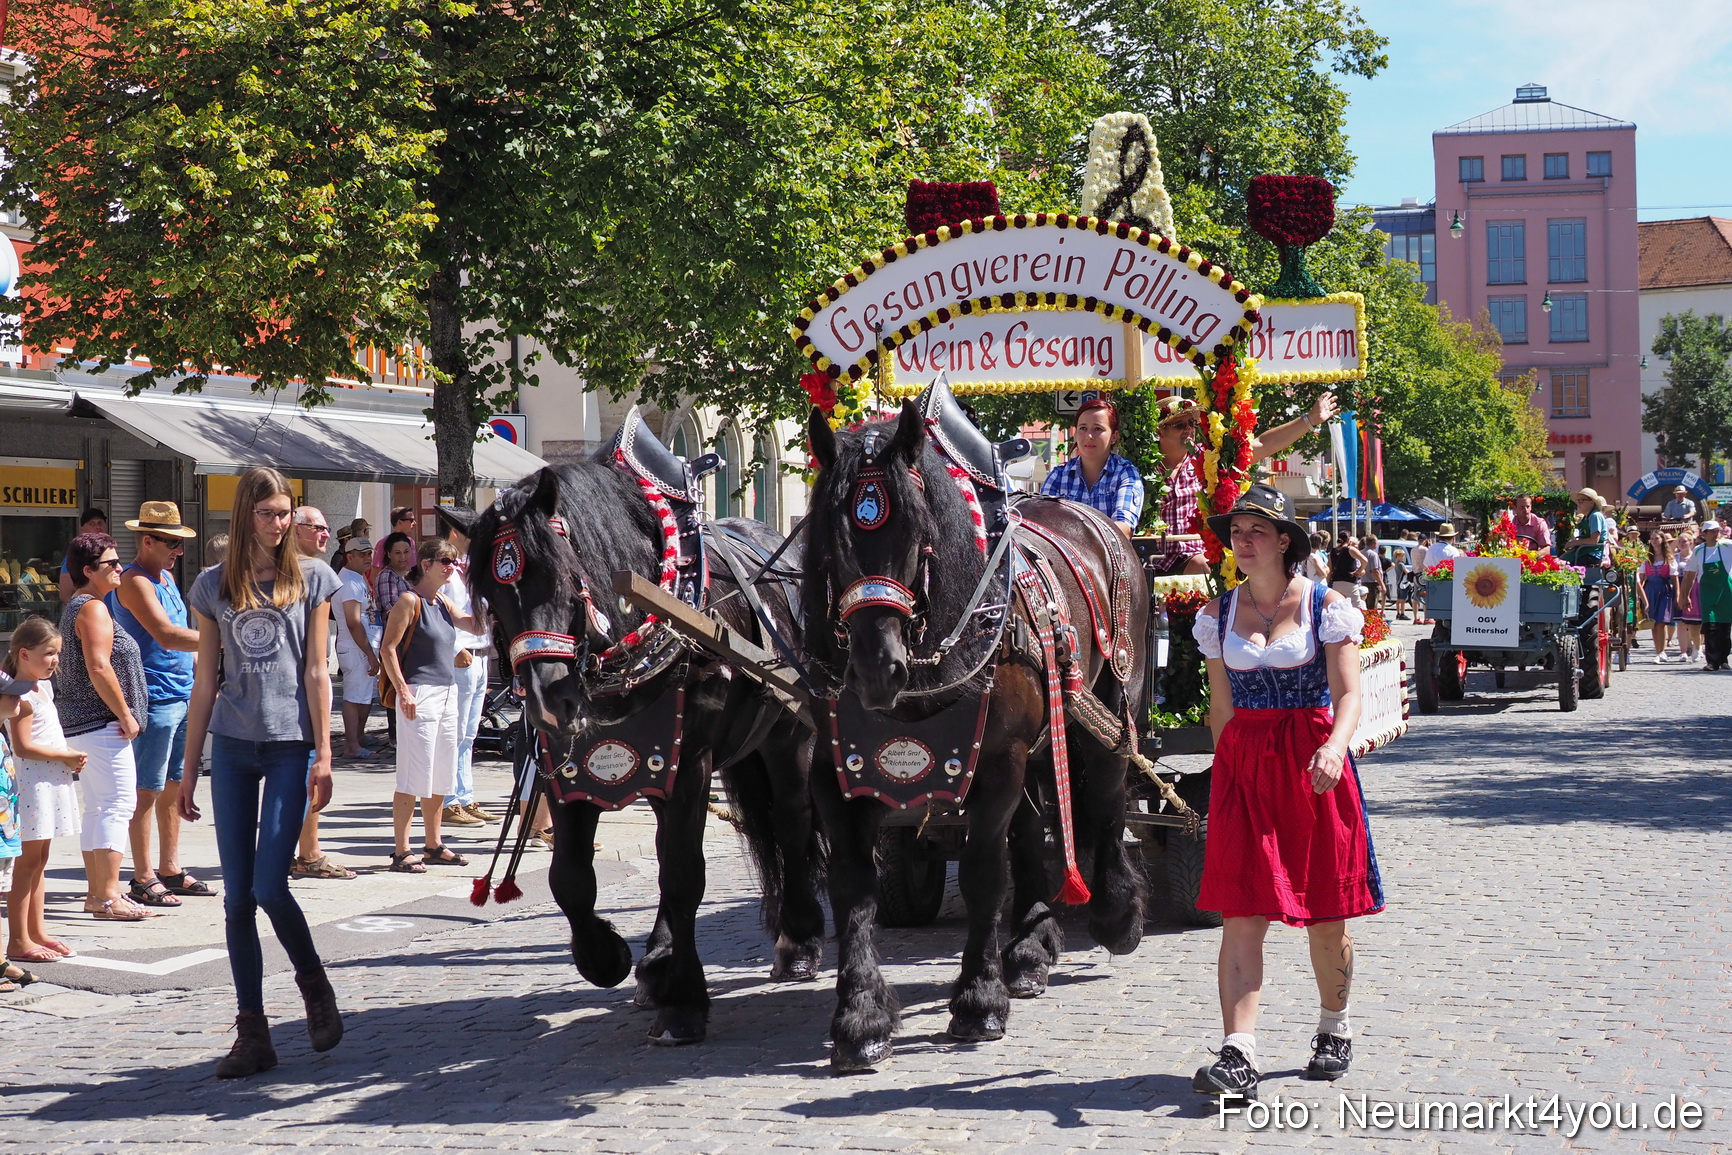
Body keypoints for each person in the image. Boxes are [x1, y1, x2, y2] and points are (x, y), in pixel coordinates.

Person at [1189, 483, 1381, 1103]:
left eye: (1256, 531)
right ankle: (1237, 1053)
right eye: (1237, 532)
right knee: (1241, 913)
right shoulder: (1217, 616)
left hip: (1313, 762)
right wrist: (1227, 771)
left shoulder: (1327, 605)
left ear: (1283, 542)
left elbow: (1350, 694)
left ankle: (1335, 1025)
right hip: (1247, 767)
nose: (1243, 541)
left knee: (1325, 917)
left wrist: (1333, 748)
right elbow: (1221, 707)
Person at [181, 466, 344, 1077]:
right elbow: (204, 683)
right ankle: (253, 1033)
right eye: (270, 514)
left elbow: (317, 672)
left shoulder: (314, 580)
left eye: (286, 514)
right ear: (245, 514)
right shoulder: (210, 586)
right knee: (236, 901)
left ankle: (314, 985)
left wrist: (325, 752)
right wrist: (190, 766)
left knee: (271, 887)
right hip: (231, 745)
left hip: (288, 746)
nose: (282, 525)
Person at [108, 501, 208, 909]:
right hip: (154, 696)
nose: (177, 551)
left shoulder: (164, 576)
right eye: (171, 542)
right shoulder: (134, 581)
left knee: (172, 786)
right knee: (146, 789)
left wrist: (206, 678)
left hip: (181, 693)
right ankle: (142, 875)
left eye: (180, 543)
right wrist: (226, 641)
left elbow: (183, 636)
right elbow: (167, 635)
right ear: (147, 540)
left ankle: (169, 867)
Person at [59, 532, 152, 921]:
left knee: (99, 808)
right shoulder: (92, 609)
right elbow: (99, 666)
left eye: (118, 561)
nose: (119, 568)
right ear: (87, 571)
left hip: (86, 724)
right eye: (110, 564)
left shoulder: (80, 606)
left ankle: (99, 894)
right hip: (101, 722)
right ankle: (109, 894)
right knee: (116, 806)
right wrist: (126, 713)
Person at [1147, 393, 1339, 575]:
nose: (1189, 429)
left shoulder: (1208, 457)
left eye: (1192, 423)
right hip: (1146, 556)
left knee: (1203, 568)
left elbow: (1263, 444)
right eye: (1180, 425)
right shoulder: (1140, 466)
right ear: (1159, 431)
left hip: (1192, 554)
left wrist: (1310, 419)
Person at [379, 539, 483, 871]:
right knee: (414, 774)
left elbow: (473, 624)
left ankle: (434, 844)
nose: (451, 566)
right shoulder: (410, 600)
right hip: (420, 693)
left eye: (453, 561)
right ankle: (401, 850)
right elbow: (388, 648)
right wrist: (403, 691)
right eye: (445, 561)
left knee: (441, 773)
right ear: (426, 564)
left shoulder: (441, 602)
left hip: (447, 692)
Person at [6, 617, 87, 961]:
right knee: (26, 862)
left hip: (49, 781)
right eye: (48, 653)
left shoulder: (43, 687)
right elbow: (23, 746)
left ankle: (36, 931)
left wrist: (64, 758)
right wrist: (66, 755)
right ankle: (18, 940)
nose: (55, 660)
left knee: (40, 859)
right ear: (24, 654)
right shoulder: (20, 694)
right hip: (32, 784)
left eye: (57, 653)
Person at [440, 523, 498, 827]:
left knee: (469, 734)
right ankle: (448, 800)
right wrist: (453, 648)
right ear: (454, 533)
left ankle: (465, 795)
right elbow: (437, 612)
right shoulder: (445, 569)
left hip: (479, 654)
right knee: (455, 731)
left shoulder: (474, 569)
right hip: (461, 656)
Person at [1041, 399, 1145, 539]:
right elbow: (1042, 523)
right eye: (1083, 428)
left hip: (1109, 559)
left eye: (1098, 429)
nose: (1089, 436)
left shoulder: (1125, 474)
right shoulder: (1058, 476)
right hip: (1065, 558)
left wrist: (1077, 534)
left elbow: (1124, 529)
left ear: (1114, 437)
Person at [0, 671, 41, 992]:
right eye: (12, 694)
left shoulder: (1, 734)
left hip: (6, 837)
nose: (19, 699)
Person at [330, 536, 383, 761]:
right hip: (356, 648)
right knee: (354, 696)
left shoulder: (357, 579)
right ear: (349, 556)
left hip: (363, 647)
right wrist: (370, 654)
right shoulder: (350, 582)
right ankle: (352, 744)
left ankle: (358, 737)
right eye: (362, 554)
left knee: (364, 695)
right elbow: (353, 622)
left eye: (369, 553)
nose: (368, 558)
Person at [1680, 520, 1732, 671]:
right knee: (1710, 626)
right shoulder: (1698, 551)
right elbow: (1690, 575)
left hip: (1726, 591)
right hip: (1707, 592)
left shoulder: (1728, 546)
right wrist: (1686, 595)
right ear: (1704, 534)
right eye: (1712, 531)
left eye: (1717, 531)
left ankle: (1723, 659)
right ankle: (1712, 661)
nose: (1716, 534)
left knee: (1725, 626)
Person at [1639, 532, 1680, 663]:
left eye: (1656, 538)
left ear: (1662, 540)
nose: (1654, 541)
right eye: (1651, 538)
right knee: (1653, 623)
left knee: (1661, 622)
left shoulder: (1669, 558)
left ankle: (1662, 651)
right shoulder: (1647, 558)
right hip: (1650, 589)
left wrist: (1678, 595)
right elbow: (1641, 578)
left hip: (1664, 589)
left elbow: (1674, 578)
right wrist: (1640, 595)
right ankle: (1658, 651)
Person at [57, 508, 109, 603]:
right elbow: (65, 595)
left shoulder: (110, 553)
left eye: (100, 523)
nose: (97, 527)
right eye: (92, 524)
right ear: (83, 529)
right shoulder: (76, 556)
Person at [1559, 489, 1610, 566]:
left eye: (1582, 500)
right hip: (1584, 550)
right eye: (1578, 500)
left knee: (1565, 565)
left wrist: (1574, 543)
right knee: (1560, 561)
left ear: (1591, 503)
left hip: (1593, 554)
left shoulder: (1595, 516)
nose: (1579, 503)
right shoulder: (1586, 517)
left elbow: (1594, 540)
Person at [1328, 532, 1366, 608]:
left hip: (1336, 582)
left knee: (1339, 607)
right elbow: (1365, 560)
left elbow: (1330, 569)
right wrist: (1359, 570)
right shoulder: (1350, 549)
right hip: (1349, 582)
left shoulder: (1332, 551)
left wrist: (1328, 582)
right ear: (1348, 539)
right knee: (1356, 607)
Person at [373, 508, 416, 572]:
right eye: (411, 520)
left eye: (406, 551)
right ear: (400, 522)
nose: (415, 523)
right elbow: (375, 572)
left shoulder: (411, 542)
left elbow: (413, 568)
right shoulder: (382, 543)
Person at [1410, 535, 1432, 623]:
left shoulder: (1413, 550)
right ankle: (1426, 617)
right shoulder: (1425, 550)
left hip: (1415, 574)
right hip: (1424, 574)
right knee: (1425, 596)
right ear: (1425, 541)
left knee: (1416, 596)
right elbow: (1428, 561)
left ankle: (1416, 617)